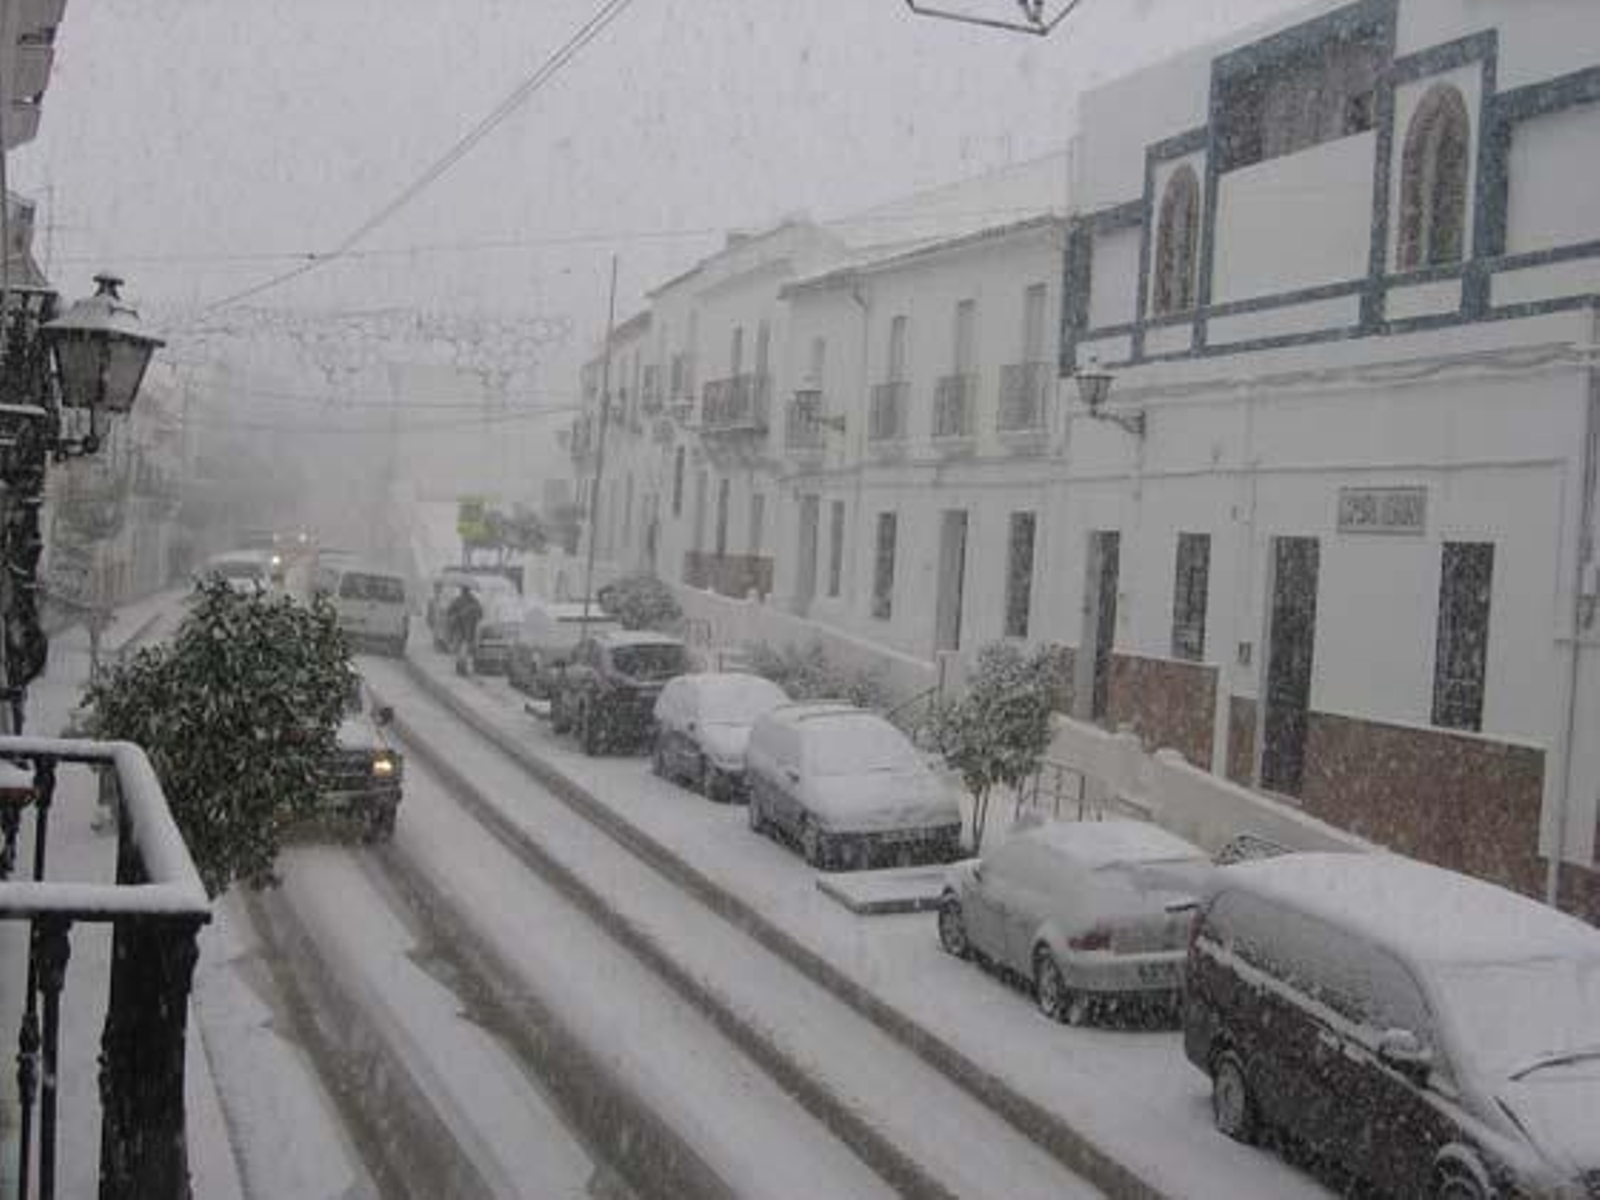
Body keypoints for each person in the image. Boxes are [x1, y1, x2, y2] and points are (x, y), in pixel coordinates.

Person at [445, 585, 483, 676]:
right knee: (464, 648)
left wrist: (457, 615)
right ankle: (461, 667)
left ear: (462, 590)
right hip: (469, 629)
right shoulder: (474, 601)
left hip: (459, 628)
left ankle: (460, 667)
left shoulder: (457, 600)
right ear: (469, 590)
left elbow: (449, 612)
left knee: (460, 648)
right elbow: (480, 614)